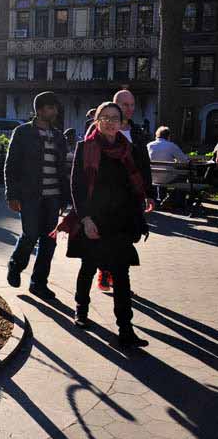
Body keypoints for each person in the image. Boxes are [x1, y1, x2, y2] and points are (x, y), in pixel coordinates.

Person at [65, 102, 153, 348]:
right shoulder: (85, 148)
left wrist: (143, 203)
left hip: (121, 222)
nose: (111, 121)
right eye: (105, 117)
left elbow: (136, 181)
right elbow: (77, 187)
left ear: (122, 121)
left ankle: (125, 329)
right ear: (97, 120)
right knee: (89, 268)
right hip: (94, 220)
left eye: (115, 117)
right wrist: (85, 218)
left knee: (122, 276)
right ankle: (81, 311)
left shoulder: (129, 149)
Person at [4, 91, 70, 300]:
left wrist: (64, 198)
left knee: (49, 242)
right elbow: (11, 165)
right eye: (51, 107)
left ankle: (39, 283)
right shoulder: (23, 132)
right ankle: (16, 265)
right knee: (30, 235)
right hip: (30, 195)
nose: (55, 111)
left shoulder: (59, 136)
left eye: (56, 107)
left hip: (53, 197)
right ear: (40, 110)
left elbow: (62, 169)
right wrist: (11, 195)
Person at [97, 89, 155, 291]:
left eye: (132, 105)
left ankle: (119, 275)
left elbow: (144, 165)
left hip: (131, 197)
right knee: (109, 238)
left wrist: (149, 193)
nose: (129, 109)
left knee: (128, 238)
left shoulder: (137, 132)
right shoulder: (101, 130)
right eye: (124, 105)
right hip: (107, 198)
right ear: (115, 105)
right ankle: (107, 272)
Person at [147, 126, 190, 208]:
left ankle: (161, 198)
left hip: (152, 178)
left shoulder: (149, 145)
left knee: (162, 175)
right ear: (168, 136)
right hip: (167, 178)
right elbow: (185, 161)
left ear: (156, 135)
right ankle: (173, 200)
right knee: (183, 176)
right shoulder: (171, 146)